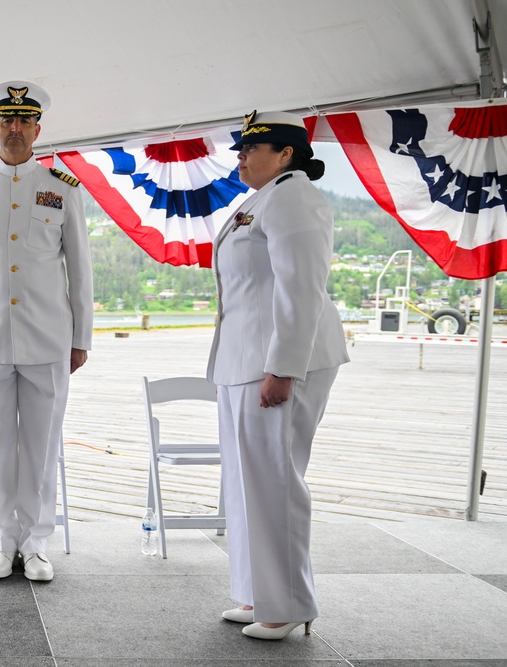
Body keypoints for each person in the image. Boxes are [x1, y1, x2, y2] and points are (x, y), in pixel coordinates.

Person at [206, 110, 350, 640]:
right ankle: (257, 592)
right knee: (247, 486)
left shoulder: (294, 197)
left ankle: (287, 603)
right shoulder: (259, 200)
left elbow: (300, 288)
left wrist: (282, 368)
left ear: (286, 153)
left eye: (251, 148)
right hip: (245, 363)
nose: (241, 157)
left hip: (280, 363)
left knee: (275, 482)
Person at [0, 81, 93, 582]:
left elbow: (80, 269)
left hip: (48, 338)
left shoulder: (62, 189)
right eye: (6, 120)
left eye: (23, 120)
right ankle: (1, 542)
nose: (14, 128)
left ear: (37, 129)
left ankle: (37, 544)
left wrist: (82, 337)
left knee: (41, 445)